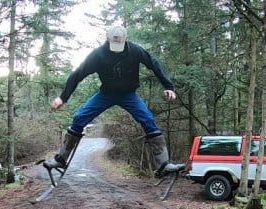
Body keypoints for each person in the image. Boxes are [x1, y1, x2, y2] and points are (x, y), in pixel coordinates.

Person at [44, 25, 185, 177]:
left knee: (148, 120)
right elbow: (78, 74)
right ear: (107, 38)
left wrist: (169, 86)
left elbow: (154, 64)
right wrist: (63, 97)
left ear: (125, 39)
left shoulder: (135, 51)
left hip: (129, 95)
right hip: (106, 94)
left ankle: (163, 165)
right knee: (79, 118)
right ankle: (61, 159)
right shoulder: (98, 55)